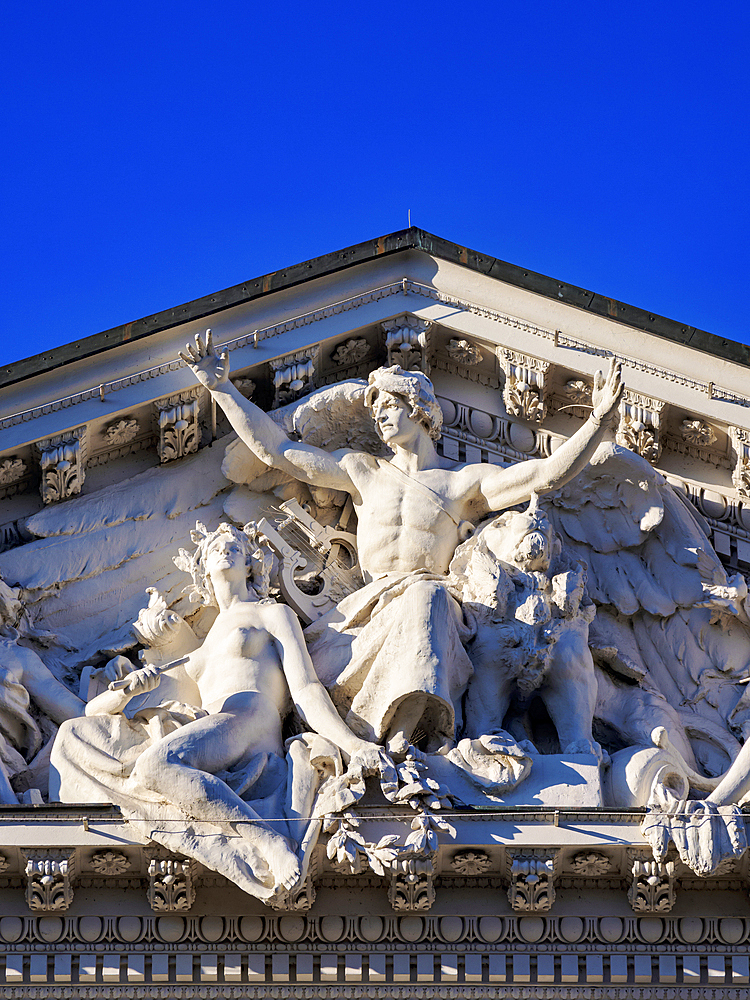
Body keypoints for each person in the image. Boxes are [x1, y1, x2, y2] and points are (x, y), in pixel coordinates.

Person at [181, 332, 623, 752]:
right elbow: (278, 452)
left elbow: (543, 476)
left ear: (419, 409)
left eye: (390, 407)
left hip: (431, 599)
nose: (381, 418)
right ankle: (382, 733)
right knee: (419, 597)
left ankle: (407, 738)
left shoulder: (460, 483)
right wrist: (222, 389)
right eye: (376, 414)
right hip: (368, 606)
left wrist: (598, 422)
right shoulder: (364, 471)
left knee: (426, 594)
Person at [52, 521, 386, 897]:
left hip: (252, 716)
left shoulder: (270, 614)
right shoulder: (199, 647)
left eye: (236, 545)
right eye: (214, 548)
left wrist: (353, 745)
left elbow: (306, 689)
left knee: (155, 765)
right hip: (210, 727)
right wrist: (126, 693)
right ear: (203, 570)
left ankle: (268, 841)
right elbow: (95, 712)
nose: (225, 548)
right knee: (70, 734)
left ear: (250, 565)